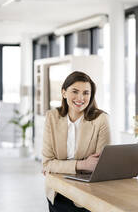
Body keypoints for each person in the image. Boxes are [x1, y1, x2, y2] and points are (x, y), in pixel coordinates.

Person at [42, 71, 110, 212]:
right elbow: (47, 163)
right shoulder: (51, 117)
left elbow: (101, 166)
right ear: (64, 92)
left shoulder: (101, 119)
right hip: (57, 194)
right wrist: (83, 164)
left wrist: (59, 166)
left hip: (87, 195)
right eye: (75, 91)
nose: (80, 98)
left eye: (86, 93)